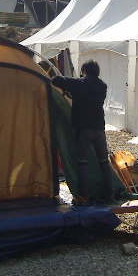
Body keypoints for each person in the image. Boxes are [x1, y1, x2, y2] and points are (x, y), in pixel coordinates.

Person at [51, 61, 111, 204]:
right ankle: (110, 194)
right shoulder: (102, 86)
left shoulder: (79, 84)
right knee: (104, 162)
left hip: (83, 129)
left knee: (82, 163)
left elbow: (56, 80)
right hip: (99, 128)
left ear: (84, 70)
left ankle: (84, 195)